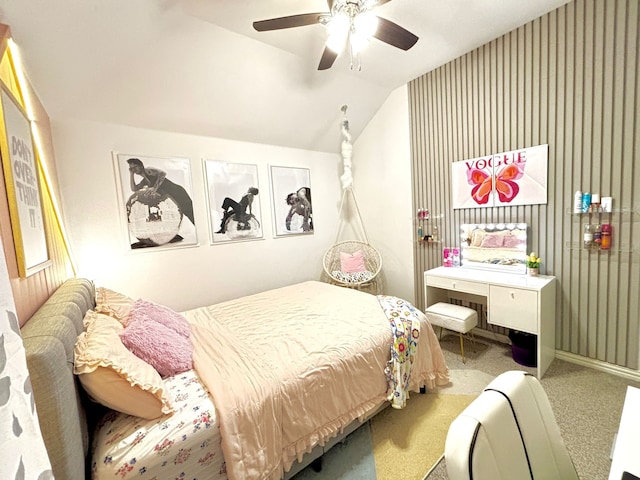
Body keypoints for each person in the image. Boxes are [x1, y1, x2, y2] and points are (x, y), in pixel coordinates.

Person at [126, 158, 195, 226]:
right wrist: (131, 174)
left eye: (135, 167)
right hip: (173, 198)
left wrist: (154, 188)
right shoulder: (144, 181)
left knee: (192, 214)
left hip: (178, 192)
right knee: (187, 215)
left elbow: (163, 174)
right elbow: (134, 189)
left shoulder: (149, 170)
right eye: (131, 169)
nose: (133, 170)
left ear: (141, 165)